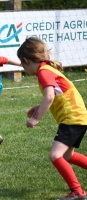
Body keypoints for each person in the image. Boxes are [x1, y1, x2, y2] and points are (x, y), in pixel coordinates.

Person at [17, 37, 87, 200]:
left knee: (56, 156)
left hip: (72, 118)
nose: (23, 68)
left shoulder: (43, 72)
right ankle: (77, 191)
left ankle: (77, 192)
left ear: (26, 60)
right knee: (68, 156)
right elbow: (56, 94)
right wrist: (38, 107)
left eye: (22, 65)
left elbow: (49, 97)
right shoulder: (47, 68)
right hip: (78, 117)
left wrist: (35, 119)